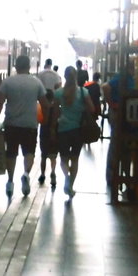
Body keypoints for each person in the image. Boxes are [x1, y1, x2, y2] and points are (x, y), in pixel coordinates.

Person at [0, 54, 45, 198]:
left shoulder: (8, 82)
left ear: (15, 66)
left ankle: (10, 182)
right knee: (29, 153)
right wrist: (46, 122)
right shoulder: (37, 83)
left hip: (11, 124)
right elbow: (45, 104)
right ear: (29, 66)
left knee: (11, 153)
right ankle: (26, 174)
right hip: (30, 124)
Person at [49, 65, 95, 198]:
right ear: (76, 77)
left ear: (64, 76)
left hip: (63, 130)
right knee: (75, 159)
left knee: (63, 159)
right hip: (78, 130)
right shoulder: (83, 92)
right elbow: (92, 109)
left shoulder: (58, 93)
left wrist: (52, 128)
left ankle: (67, 177)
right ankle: (70, 186)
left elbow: (55, 114)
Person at [103, 62, 137, 199]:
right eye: (133, 67)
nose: (134, 70)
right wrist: (111, 104)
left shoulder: (127, 78)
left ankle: (123, 176)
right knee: (117, 144)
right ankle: (113, 177)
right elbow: (105, 87)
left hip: (126, 115)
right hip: (119, 114)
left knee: (123, 145)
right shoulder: (122, 77)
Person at [37, 88, 57, 189]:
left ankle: (43, 174)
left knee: (43, 156)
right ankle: (53, 173)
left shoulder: (42, 108)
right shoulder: (56, 108)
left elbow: (39, 119)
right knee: (53, 156)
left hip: (44, 132)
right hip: (54, 133)